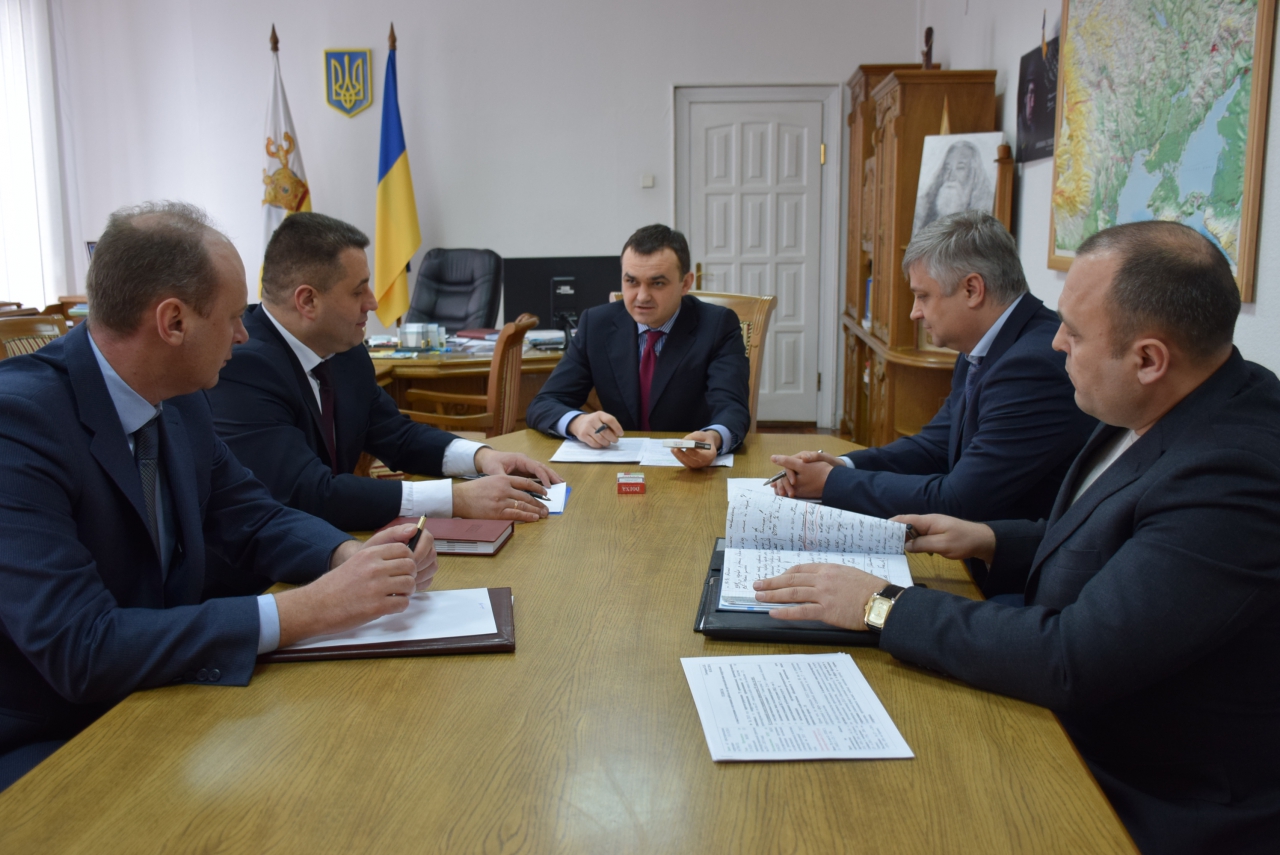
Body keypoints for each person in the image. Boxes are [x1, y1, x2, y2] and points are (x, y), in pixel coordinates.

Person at [755, 221, 1280, 854]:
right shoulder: (1169, 397)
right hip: (1077, 703)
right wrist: (991, 540)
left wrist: (878, 604)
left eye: (1075, 333)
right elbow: (1119, 546)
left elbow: (1075, 658)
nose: (1055, 342)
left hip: (1148, 785)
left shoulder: (1235, 472)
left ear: (1148, 359)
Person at [0, 202, 438, 791]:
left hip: (164, 692)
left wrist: (350, 558)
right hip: (52, 736)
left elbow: (251, 516)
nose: (244, 333)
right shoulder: (18, 424)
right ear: (173, 322)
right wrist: (308, 609)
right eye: (233, 316)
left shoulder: (179, 396)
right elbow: (82, 647)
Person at [207, 212, 561, 544]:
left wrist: (482, 458)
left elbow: (397, 436)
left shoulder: (344, 350)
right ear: (308, 301)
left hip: (334, 544)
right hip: (264, 571)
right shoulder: (241, 366)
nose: (373, 303)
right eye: (358, 291)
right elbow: (307, 492)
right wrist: (455, 498)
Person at [773, 212, 1095, 529]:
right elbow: (936, 447)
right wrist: (844, 465)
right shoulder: (984, 344)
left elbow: (959, 501)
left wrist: (831, 483)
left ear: (972, 289)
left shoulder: (1032, 367)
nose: (915, 313)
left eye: (922, 296)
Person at [524, 224, 750, 470]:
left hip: (690, 468)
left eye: (657, 283)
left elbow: (732, 408)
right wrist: (577, 422)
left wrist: (713, 438)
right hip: (617, 467)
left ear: (685, 283)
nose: (642, 296)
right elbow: (544, 403)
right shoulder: (597, 324)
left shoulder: (717, 325)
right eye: (631, 281)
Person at [912, 140, 995, 234]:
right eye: (947, 168)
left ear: (974, 175)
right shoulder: (923, 208)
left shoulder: (986, 210)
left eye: (960, 168)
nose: (951, 176)